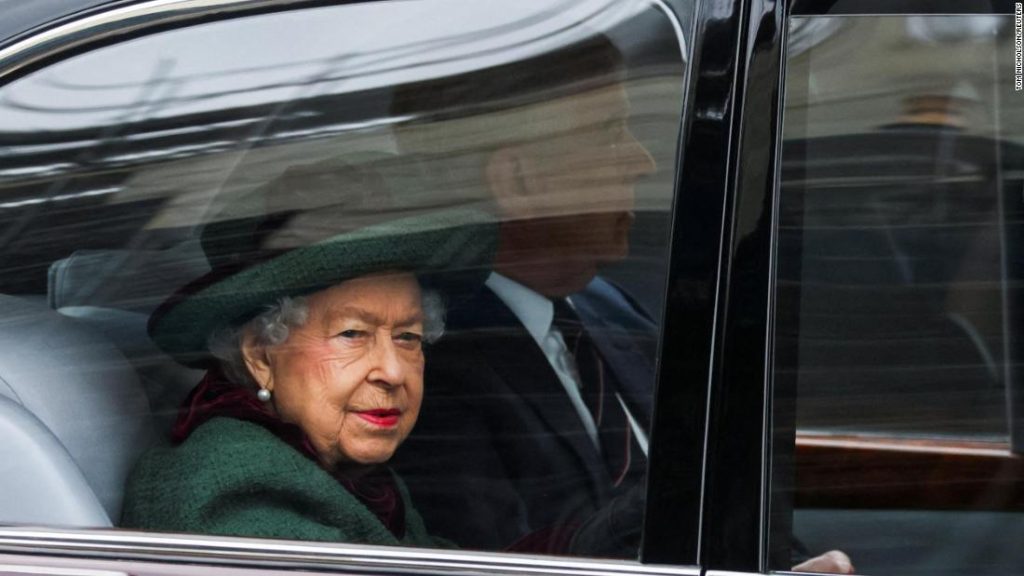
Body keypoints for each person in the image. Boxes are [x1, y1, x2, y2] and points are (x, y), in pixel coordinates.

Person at [389, 34, 853, 573]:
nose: (642, 160)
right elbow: (512, 562)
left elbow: (725, 500)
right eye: (611, 135)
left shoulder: (605, 307)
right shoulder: (431, 362)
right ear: (518, 180)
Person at [120, 157, 496, 545]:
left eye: (408, 337)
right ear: (262, 354)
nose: (393, 371)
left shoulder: (337, 471)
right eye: (353, 334)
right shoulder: (237, 487)